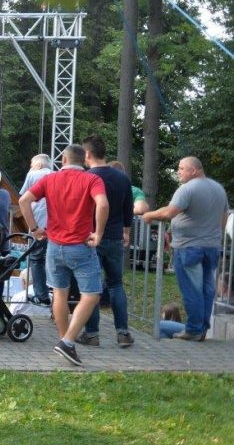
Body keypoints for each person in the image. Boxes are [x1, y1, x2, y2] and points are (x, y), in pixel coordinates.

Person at [18, 144, 108, 367]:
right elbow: (102, 204)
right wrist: (98, 233)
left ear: (63, 160)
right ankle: (67, 341)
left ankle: (64, 340)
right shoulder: (92, 180)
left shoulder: (50, 179)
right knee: (91, 294)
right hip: (81, 246)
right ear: (84, 160)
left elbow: (23, 201)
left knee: (59, 294)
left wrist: (34, 229)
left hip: (54, 245)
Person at [142, 157, 229, 340]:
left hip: (189, 247)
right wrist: (213, 236)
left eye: (182, 168)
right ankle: (202, 328)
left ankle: (194, 330)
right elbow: (224, 218)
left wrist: (149, 215)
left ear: (194, 170)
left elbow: (169, 212)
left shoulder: (187, 189)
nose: (178, 172)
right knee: (207, 289)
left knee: (192, 289)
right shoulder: (218, 189)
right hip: (211, 247)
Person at [77, 135, 135, 348]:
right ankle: (123, 333)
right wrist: (126, 232)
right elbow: (128, 208)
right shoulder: (122, 177)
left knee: (91, 287)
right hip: (115, 237)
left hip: (91, 237)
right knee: (116, 284)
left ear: (87, 154)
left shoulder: (86, 177)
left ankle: (92, 334)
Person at [19, 154, 53, 306]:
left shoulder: (33, 175)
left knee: (36, 258)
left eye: (31, 165)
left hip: (37, 222)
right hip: (54, 225)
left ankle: (42, 295)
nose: (30, 167)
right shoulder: (55, 174)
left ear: (38, 165)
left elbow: (23, 196)